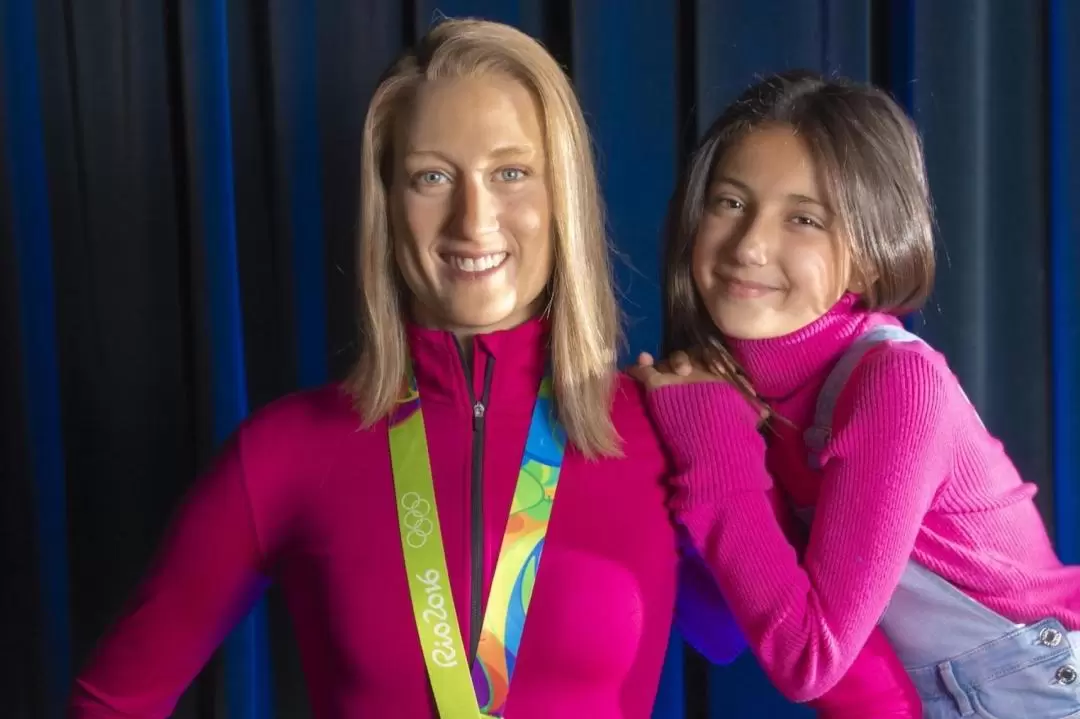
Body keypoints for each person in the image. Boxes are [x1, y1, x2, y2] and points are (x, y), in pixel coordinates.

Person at [69, 26, 919, 718]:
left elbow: (859, 688)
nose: (474, 218)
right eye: (432, 177)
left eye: (512, 174)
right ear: (387, 205)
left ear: (562, 198)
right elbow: (112, 700)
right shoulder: (284, 452)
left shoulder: (673, 427)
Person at [632, 70, 1080, 718]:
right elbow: (722, 631)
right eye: (730, 202)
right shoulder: (739, 390)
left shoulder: (895, 383)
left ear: (869, 257)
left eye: (804, 219)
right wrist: (671, 481)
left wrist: (714, 443)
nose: (751, 244)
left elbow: (807, 656)